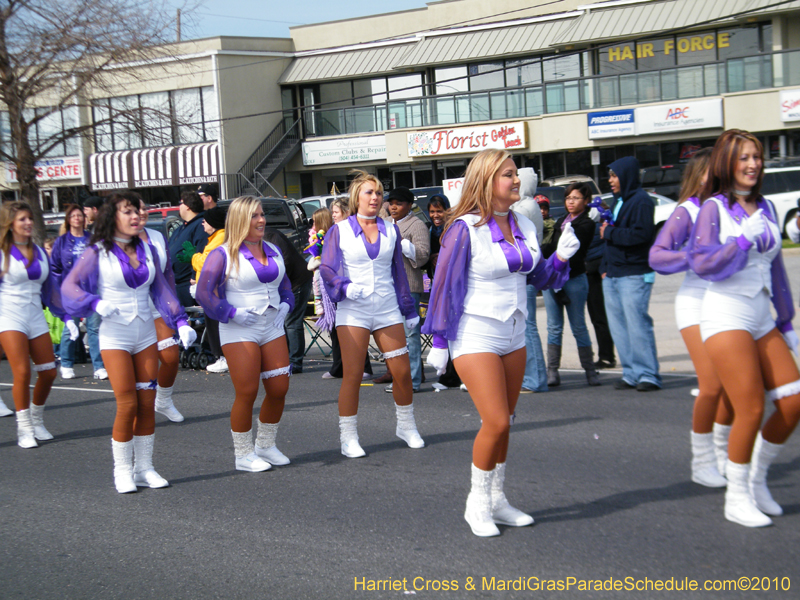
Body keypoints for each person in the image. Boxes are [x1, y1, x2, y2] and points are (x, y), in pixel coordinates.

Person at [422, 149, 578, 537]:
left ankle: (498, 499)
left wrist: (559, 257)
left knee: (507, 422)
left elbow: (539, 277)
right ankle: (476, 503)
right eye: (507, 174)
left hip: (515, 331)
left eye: (515, 174)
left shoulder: (525, 223)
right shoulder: (464, 228)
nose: (515, 180)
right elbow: (445, 286)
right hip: (475, 333)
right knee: (493, 421)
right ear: (486, 181)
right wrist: (440, 340)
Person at [688, 129, 800, 528]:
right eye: (744, 158)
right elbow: (702, 264)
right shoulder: (711, 209)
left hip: (761, 316)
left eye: (756, 156)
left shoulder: (767, 206)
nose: (753, 164)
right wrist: (739, 243)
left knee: (793, 402)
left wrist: (787, 324)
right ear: (727, 164)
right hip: (725, 315)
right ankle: (736, 498)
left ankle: (756, 479)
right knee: (750, 407)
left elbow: (776, 269)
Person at [63, 192, 196, 493]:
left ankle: (145, 468)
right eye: (128, 211)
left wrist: (181, 322)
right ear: (113, 216)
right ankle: (122, 470)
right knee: (127, 404)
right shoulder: (98, 250)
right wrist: (93, 303)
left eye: (138, 211)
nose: (136, 216)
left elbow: (162, 290)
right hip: (115, 336)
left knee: (147, 403)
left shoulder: (147, 248)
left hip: (145, 333)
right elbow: (69, 286)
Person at [320, 170, 424, 458]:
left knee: (402, 373)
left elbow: (398, 272)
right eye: (369, 192)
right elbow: (327, 268)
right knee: (353, 375)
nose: (376, 198)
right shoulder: (338, 230)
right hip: (353, 309)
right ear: (357, 198)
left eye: (379, 193)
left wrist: (409, 309)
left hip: (387, 306)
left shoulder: (391, 229)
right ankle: (348, 436)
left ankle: (406, 425)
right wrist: (345, 287)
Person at [649, 149, 734, 487]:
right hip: (696, 303)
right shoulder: (688, 210)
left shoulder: (733, 209)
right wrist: (693, 257)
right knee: (712, 384)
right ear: (699, 175)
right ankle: (702, 462)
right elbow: (657, 256)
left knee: (733, 386)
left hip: (727, 303)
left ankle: (723, 452)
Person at [196, 196, 295, 472]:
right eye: (254, 216)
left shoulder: (273, 249)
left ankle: (266, 445)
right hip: (239, 328)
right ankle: (243, 455)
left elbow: (285, 285)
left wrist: (287, 305)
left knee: (279, 388)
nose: (261, 220)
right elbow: (204, 293)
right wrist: (230, 312)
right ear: (240, 220)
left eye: (262, 214)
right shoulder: (223, 253)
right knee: (248, 391)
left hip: (272, 325)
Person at [0, 201, 68, 447]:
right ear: (9, 224)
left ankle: (37, 419)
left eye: (30, 218)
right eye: (22, 219)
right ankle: (24, 427)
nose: (28, 223)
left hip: (35, 316)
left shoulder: (39, 251)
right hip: (8, 316)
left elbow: (51, 290)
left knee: (49, 372)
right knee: (21, 372)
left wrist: (67, 316)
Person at [600, 156, 661, 392]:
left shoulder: (642, 201)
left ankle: (648, 375)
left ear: (626, 175)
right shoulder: (618, 201)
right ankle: (631, 374)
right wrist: (605, 268)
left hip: (634, 274)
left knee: (637, 325)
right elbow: (608, 238)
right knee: (619, 327)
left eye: (614, 175)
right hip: (613, 274)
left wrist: (610, 233)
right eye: (610, 176)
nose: (610, 180)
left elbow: (641, 235)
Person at [541, 183, 600, 387]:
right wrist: (538, 253)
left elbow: (572, 251)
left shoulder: (586, 224)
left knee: (579, 326)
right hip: (552, 279)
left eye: (576, 198)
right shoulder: (561, 221)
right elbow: (552, 247)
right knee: (554, 327)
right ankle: (552, 372)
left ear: (585, 200)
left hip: (574, 279)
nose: (571, 202)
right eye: (568, 198)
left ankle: (590, 370)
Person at [136, 199, 187, 423]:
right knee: (140, 370)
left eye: (144, 208)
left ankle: (163, 400)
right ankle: (138, 409)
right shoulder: (114, 241)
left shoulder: (156, 236)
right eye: (134, 209)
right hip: (131, 311)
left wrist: (174, 306)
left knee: (170, 357)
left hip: (158, 305)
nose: (141, 213)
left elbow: (166, 274)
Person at [50, 204, 107, 380]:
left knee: (94, 327)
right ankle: (66, 363)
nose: (77, 218)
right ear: (68, 219)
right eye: (73, 215)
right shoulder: (62, 241)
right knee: (71, 326)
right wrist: (59, 289)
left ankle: (99, 366)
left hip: (91, 287)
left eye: (80, 215)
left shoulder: (92, 239)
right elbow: (55, 267)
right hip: (70, 289)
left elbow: (101, 261)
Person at [384, 186, 429, 393]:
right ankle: (401, 378)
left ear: (409, 205)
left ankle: (413, 380)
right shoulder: (385, 223)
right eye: (391, 203)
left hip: (409, 286)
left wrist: (401, 243)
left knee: (410, 335)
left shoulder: (416, 224)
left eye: (399, 203)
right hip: (388, 286)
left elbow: (422, 256)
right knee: (395, 336)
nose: (393, 207)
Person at [323, 198, 373, 381]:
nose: (333, 215)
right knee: (337, 329)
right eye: (332, 212)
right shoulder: (334, 231)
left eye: (336, 211)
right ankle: (338, 366)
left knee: (357, 329)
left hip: (355, 288)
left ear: (345, 211)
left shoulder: (355, 230)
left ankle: (364, 367)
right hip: (336, 287)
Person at [510, 169, 547, 393]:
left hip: (527, 274)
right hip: (525, 274)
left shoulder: (524, 207)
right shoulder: (526, 205)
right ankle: (534, 377)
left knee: (528, 328)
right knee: (526, 327)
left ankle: (535, 378)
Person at [262, 223, 313, 374]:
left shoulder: (271, 237)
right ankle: (284, 359)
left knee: (291, 322)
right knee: (282, 323)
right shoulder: (256, 239)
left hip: (296, 281)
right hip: (287, 283)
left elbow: (284, 262)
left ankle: (295, 362)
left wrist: (275, 284)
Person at [425, 193, 461, 390]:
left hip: (452, 286)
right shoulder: (432, 229)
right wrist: (431, 256)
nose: (435, 215)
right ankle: (447, 374)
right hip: (436, 284)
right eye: (432, 211)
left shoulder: (453, 228)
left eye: (439, 211)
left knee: (452, 329)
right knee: (441, 329)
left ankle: (455, 374)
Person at [190, 205, 227, 373]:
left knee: (215, 324)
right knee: (212, 323)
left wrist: (194, 256)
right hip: (210, 289)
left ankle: (222, 357)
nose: (203, 222)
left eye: (206, 220)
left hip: (216, 290)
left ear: (214, 222)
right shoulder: (215, 237)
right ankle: (220, 356)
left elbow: (205, 263)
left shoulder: (220, 237)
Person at [584, 219, 616, 369]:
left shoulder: (589, 227)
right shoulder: (595, 225)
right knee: (601, 317)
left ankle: (606, 356)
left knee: (599, 317)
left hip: (594, 273)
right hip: (594, 272)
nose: (571, 202)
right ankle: (606, 356)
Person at [168, 190, 207, 308]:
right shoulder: (180, 228)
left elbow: (201, 250)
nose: (179, 207)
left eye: (181, 203)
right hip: (175, 284)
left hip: (189, 284)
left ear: (188, 207)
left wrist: (194, 276)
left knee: (193, 323)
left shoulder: (201, 225)